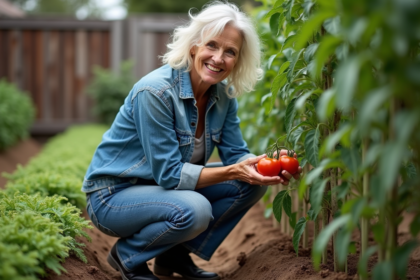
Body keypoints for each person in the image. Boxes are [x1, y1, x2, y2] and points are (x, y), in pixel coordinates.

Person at [82, 1, 302, 280]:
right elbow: (170, 175)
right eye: (212, 45)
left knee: (250, 185)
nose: (219, 58)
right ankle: (128, 256)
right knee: (195, 209)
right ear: (194, 46)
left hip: (163, 195)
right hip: (114, 198)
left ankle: (172, 255)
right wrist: (233, 170)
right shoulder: (155, 92)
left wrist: (267, 163)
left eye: (230, 51)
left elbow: (236, 154)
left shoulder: (222, 96)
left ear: (239, 59)